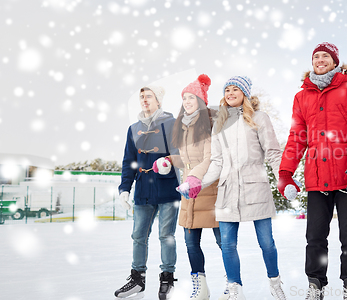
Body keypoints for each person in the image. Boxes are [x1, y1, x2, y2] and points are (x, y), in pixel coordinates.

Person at [277, 42, 347, 300]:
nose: (320, 60)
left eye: (325, 56)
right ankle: (315, 285)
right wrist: (286, 172)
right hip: (317, 177)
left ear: (335, 61)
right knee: (315, 236)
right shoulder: (302, 96)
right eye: (316, 56)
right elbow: (296, 136)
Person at [194, 76, 287, 300]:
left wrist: (284, 178)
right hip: (227, 191)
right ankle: (235, 287)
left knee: (266, 242)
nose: (230, 93)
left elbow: (273, 152)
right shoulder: (220, 123)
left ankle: (274, 281)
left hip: (256, 187)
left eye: (235, 89)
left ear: (244, 93)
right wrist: (200, 182)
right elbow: (217, 162)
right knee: (227, 244)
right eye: (227, 89)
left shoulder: (259, 118)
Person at [115, 85, 181, 300]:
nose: (144, 100)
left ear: (158, 101)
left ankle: (167, 278)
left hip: (167, 188)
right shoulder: (133, 128)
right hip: (143, 190)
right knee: (138, 236)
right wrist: (125, 188)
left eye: (149, 96)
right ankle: (137, 280)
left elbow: (181, 154)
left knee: (166, 235)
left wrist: (169, 161)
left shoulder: (171, 124)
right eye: (142, 97)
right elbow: (129, 161)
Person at [168, 74, 222, 300]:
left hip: (209, 187)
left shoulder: (208, 123)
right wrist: (169, 161)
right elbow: (187, 160)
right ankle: (200, 286)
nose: (187, 101)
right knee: (191, 243)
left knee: (223, 242)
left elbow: (209, 158)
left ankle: (233, 284)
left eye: (192, 97)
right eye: (185, 98)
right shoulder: (182, 127)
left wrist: (194, 177)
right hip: (189, 190)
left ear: (200, 100)